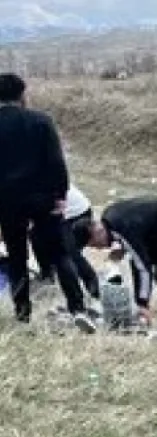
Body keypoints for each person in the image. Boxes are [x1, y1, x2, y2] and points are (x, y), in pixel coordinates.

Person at [0, 72, 87, 322]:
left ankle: (22, 312)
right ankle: (77, 308)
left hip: (7, 201)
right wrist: (60, 194)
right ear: (22, 95)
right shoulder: (41, 121)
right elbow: (56, 162)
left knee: (16, 255)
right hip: (43, 198)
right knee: (59, 252)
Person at [72, 196, 157, 337]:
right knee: (136, 259)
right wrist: (124, 247)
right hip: (155, 228)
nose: (98, 249)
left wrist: (143, 303)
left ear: (96, 232)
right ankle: (136, 315)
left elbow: (143, 267)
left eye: (94, 245)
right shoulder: (109, 218)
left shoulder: (124, 227)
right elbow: (136, 227)